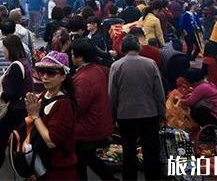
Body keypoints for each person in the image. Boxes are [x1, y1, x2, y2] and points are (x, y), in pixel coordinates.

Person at [108, 35, 165, 181]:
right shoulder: (150, 64)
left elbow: (112, 94)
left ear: (123, 48)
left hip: (125, 115)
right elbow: (158, 91)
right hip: (149, 113)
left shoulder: (116, 66)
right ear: (138, 47)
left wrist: (113, 114)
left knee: (129, 150)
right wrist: (162, 112)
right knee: (151, 150)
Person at [0, 35, 34, 181]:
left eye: (4, 48)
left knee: (1, 146)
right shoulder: (24, 63)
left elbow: (13, 94)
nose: (3, 51)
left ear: (10, 49)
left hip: (13, 112)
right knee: (17, 144)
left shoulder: (16, 66)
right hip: (20, 111)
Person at [24, 51, 78, 180]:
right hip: (41, 163)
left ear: (63, 76)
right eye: (42, 72)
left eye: (51, 73)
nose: (44, 77)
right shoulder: (44, 95)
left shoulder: (64, 105)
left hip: (59, 170)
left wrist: (35, 116)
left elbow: (51, 141)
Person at [70, 39, 116, 181]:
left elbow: (78, 106)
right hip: (100, 122)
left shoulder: (83, 79)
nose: (71, 57)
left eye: (73, 54)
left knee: (82, 160)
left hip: (88, 127)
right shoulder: (100, 70)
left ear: (80, 57)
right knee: (87, 159)